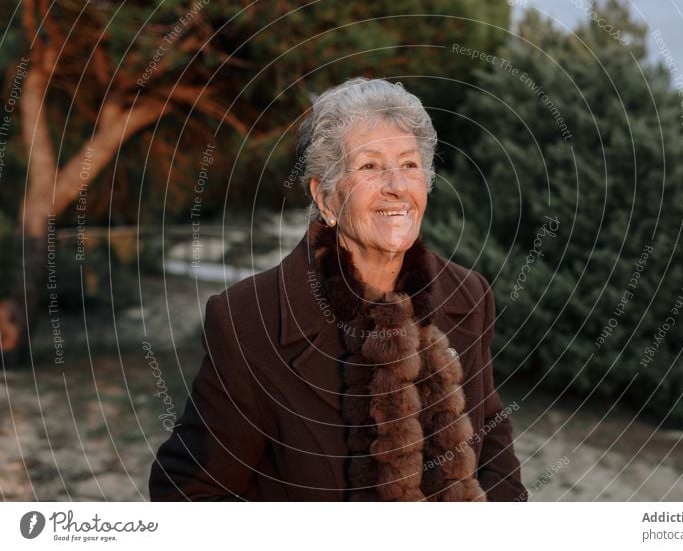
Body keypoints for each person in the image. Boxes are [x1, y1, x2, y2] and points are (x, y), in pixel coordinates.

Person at [149, 77, 527, 501]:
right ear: (326, 198)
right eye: (369, 166)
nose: (397, 187)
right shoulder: (248, 319)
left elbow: (492, 444)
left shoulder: (468, 294)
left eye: (409, 164)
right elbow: (187, 493)